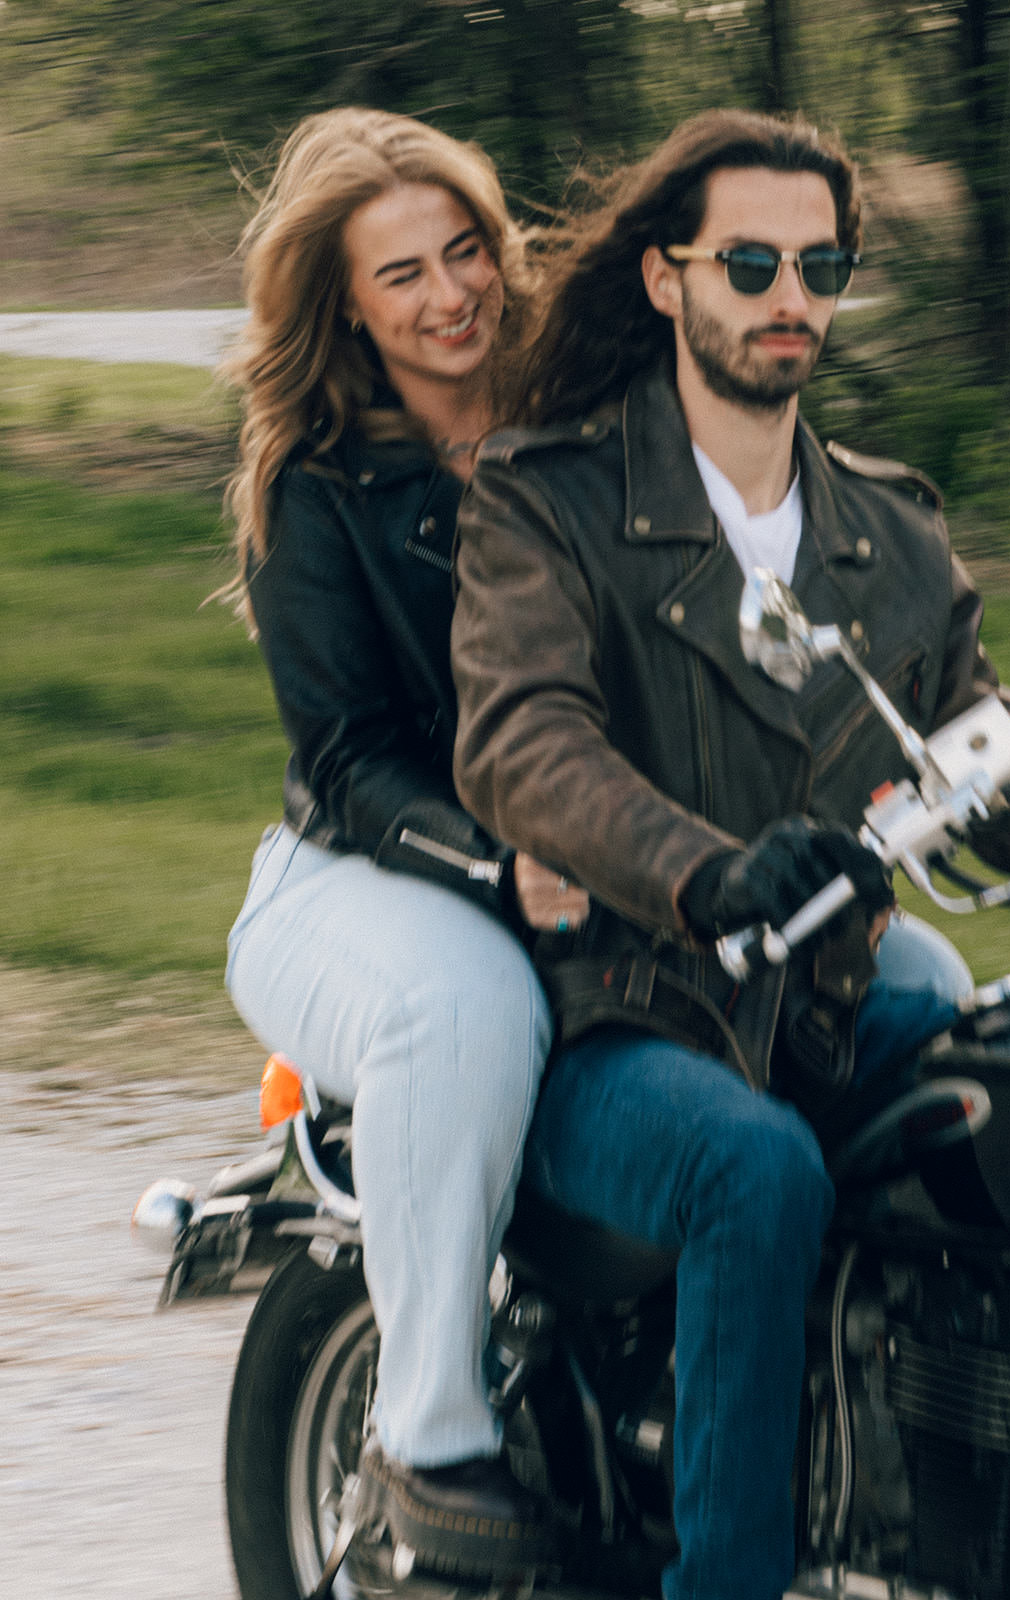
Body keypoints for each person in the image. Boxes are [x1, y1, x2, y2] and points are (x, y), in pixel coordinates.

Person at [451, 109, 1010, 1600]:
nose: (790, 297)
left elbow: (1002, 782)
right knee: (753, 1169)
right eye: (752, 261)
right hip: (615, 1019)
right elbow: (524, 744)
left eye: (819, 264)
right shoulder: (553, 495)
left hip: (822, 1014)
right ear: (667, 280)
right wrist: (706, 869)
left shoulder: (889, 535)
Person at [218, 107, 586, 1582]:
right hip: (361, 876)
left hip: (577, 855)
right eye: (402, 275)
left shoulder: (583, 422)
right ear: (345, 307)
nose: (451, 297)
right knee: (466, 1002)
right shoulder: (314, 488)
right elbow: (353, 762)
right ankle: (432, 1442)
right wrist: (499, 873)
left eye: (466, 251)